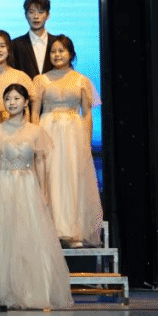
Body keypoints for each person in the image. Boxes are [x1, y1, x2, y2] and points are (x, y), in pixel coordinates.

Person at [0, 83, 73, 309]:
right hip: (4, 184)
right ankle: (8, 292)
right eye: (8, 99)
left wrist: (43, 190)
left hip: (28, 185)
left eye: (16, 98)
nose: (12, 102)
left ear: (26, 102)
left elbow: (40, 162)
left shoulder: (35, 131)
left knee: (30, 235)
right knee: (6, 236)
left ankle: (34, 290)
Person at [32, 35, 103, 247]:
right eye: (53, 51)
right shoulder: (41, 80)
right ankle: (52, 230)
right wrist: (35, 138)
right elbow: (34, 113)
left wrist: (86, 141)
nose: (57, 55)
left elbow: (87, 114)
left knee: (72, 178)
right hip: (48, 131)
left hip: (73, 134)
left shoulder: (82, 80)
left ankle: (73, 231)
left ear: (71, 54)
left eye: (61, 51)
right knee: (51, 176)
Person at [0, 30, 36, 121]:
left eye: (2, 46)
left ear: (9, 50)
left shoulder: (20, 77)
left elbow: (32, 105)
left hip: (15, 127)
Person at [12, 0, 58, 79]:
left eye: (40, 12)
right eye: (31, 12)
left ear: (48, 15)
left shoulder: (57, 42)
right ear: (26, 15)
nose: (36, 16)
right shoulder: (15, 44)